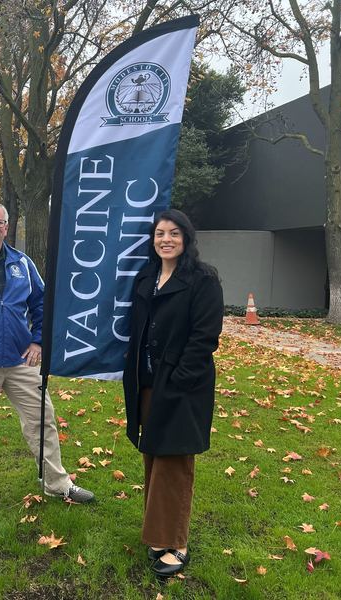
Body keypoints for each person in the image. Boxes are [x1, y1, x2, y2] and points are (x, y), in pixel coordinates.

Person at [0, 200, 95, 515]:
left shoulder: (22, 263)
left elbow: (41, 303)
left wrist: (38, 342)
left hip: (21, 361)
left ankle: (56, 482)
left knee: (43, 420)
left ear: (7, 228)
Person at [122, 208, 224, 578]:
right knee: (154, 455)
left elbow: (204, 337)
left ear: (186, 238)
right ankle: (158, 533)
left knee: (174, 462)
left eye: (174, 233)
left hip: (183, 386)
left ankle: (176, 542)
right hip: (148, 383)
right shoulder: (147, 277)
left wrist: (180, 378)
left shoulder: (202, 279)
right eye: (160, 233)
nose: (166, 239)